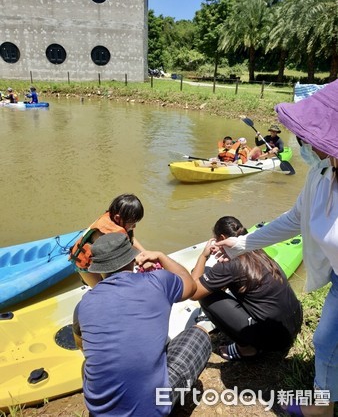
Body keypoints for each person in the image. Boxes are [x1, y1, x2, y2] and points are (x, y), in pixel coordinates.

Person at [214, 80, 338, 417]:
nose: (303, 143)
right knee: (327, 343)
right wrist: (241, 244)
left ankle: (320, 410)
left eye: (307, 137)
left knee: (327, 344)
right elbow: (294, 219)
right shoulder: (320, 173)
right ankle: (323, 403)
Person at [73, 232, 211, 417]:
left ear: (98, 269)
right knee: (199, 335)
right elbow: (190, 286)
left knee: (87, 364)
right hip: (150, 410)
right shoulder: (158, 281)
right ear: (133, 257)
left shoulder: (83, 305)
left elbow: (82, 345)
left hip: (100, 412)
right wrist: (161, 256)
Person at [189, 216, 302, 360]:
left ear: (222, 238)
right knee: (209, 278)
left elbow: (193, 292)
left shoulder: (228, 266)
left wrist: (203, 256)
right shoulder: (257, 250)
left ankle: (247, 349)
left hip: (275, 341)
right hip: (293, 324)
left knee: (204, 294)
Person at [70, 193, 147, 288]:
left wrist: (145, 253)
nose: (134, 226)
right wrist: (137, 259)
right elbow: (109, 265)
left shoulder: (119, 223)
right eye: (132, 223)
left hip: (101, 258)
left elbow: (130, 239)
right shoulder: (108, 237)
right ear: (117, 218)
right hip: (87, 263)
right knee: (102, 289)